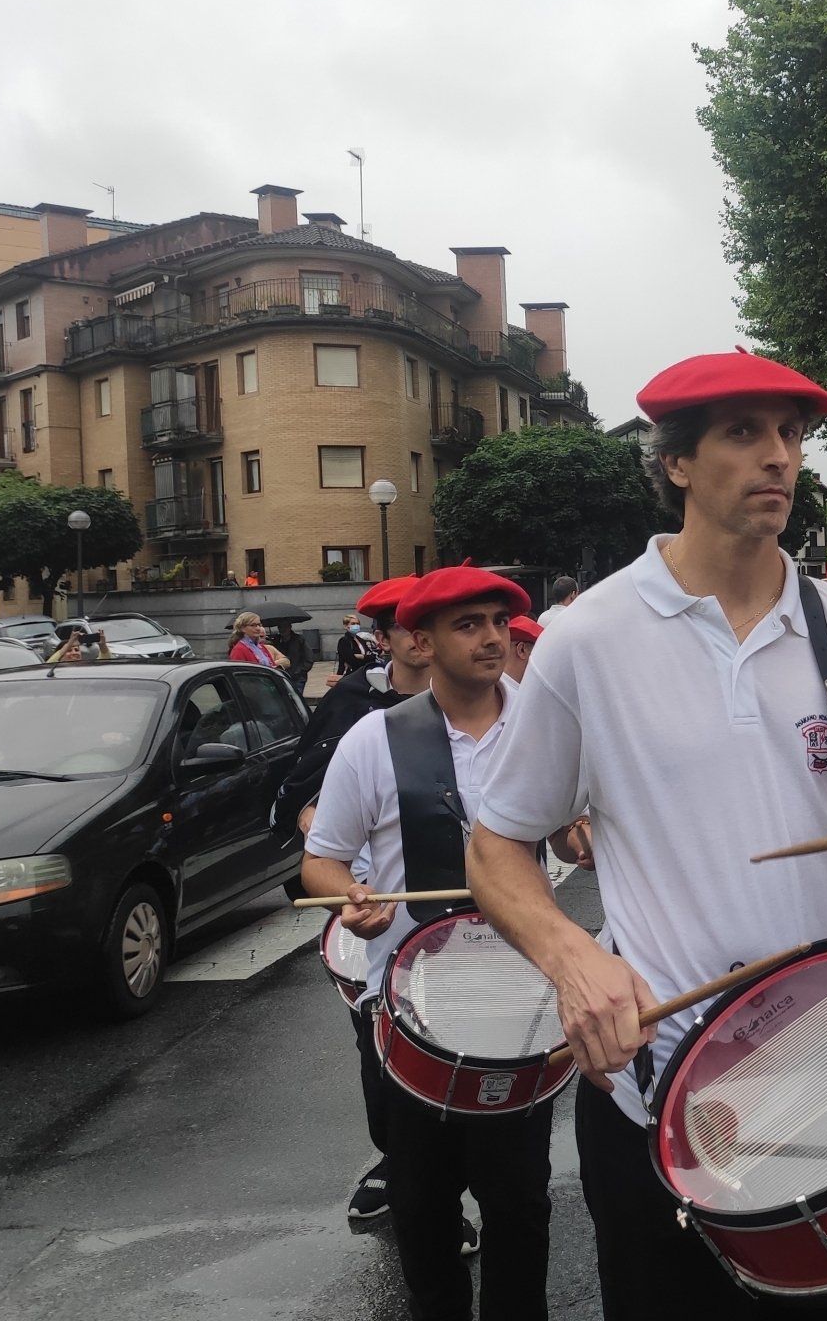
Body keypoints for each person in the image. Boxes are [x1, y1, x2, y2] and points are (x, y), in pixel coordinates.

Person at [460, 351, 827, 1319]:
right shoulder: (589, 637)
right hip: (660, 1080)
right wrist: (574, 962)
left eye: (790, 434)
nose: (778, 456)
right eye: (744, 433)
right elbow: (496, 849)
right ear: (677, 464)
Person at [301, 566, 552, 1321]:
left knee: (520, 1202)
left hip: (521, 1003)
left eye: (498, 621)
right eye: (468, 624)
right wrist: (350, 899)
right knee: (422, 1204)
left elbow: (581, 828)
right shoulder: (374, 740)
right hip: (408, 1008)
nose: (492, 637)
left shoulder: (546, 727)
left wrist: (584, 836)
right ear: (421, 641)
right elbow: (322, 859)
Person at [272, 574, 436, 1229]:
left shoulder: (483, 702)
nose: (421, 639)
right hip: (373, 908)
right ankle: (400, 1164)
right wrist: (314, 820)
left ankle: (457, 1182)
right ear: (385, 638)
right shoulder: (354, 705)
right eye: (407, 628)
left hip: (466, 918)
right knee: (381, 1048)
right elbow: (301, 792)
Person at [269, 619, 312, 698]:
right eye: (280, 627)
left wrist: (299, 671)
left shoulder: (299, 639)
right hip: (281, 676)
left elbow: (309, 658)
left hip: (297, 678)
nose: (282, 629)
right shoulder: (276, 641)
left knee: (296, 699)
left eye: (285, 627)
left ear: (290, 627)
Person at [336, 613, 374, 677]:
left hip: (363, 672)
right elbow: (351, 660)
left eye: (357, 624)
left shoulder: (361, 640)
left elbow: (372, 657)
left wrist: (362, 657)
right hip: (350, 675)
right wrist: (366, 658)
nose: (356, 626)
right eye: (353, 624)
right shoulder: (344, 641)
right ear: (346, 626)